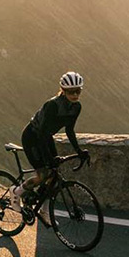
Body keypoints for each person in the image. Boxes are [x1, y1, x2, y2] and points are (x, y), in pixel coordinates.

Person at [9, 71, 90, 226]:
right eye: (71, 92)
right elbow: (41, 134)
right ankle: (16, 192)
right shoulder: (52, 105)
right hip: (32, 137)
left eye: (78, 91)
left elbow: (69, 131)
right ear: (63, 90)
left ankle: (44, 211)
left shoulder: (76, 107)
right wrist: (49, 158)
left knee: (53, 176)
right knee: (43, 174)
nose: (75, 95)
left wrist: (79, 151)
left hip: (46, 137)